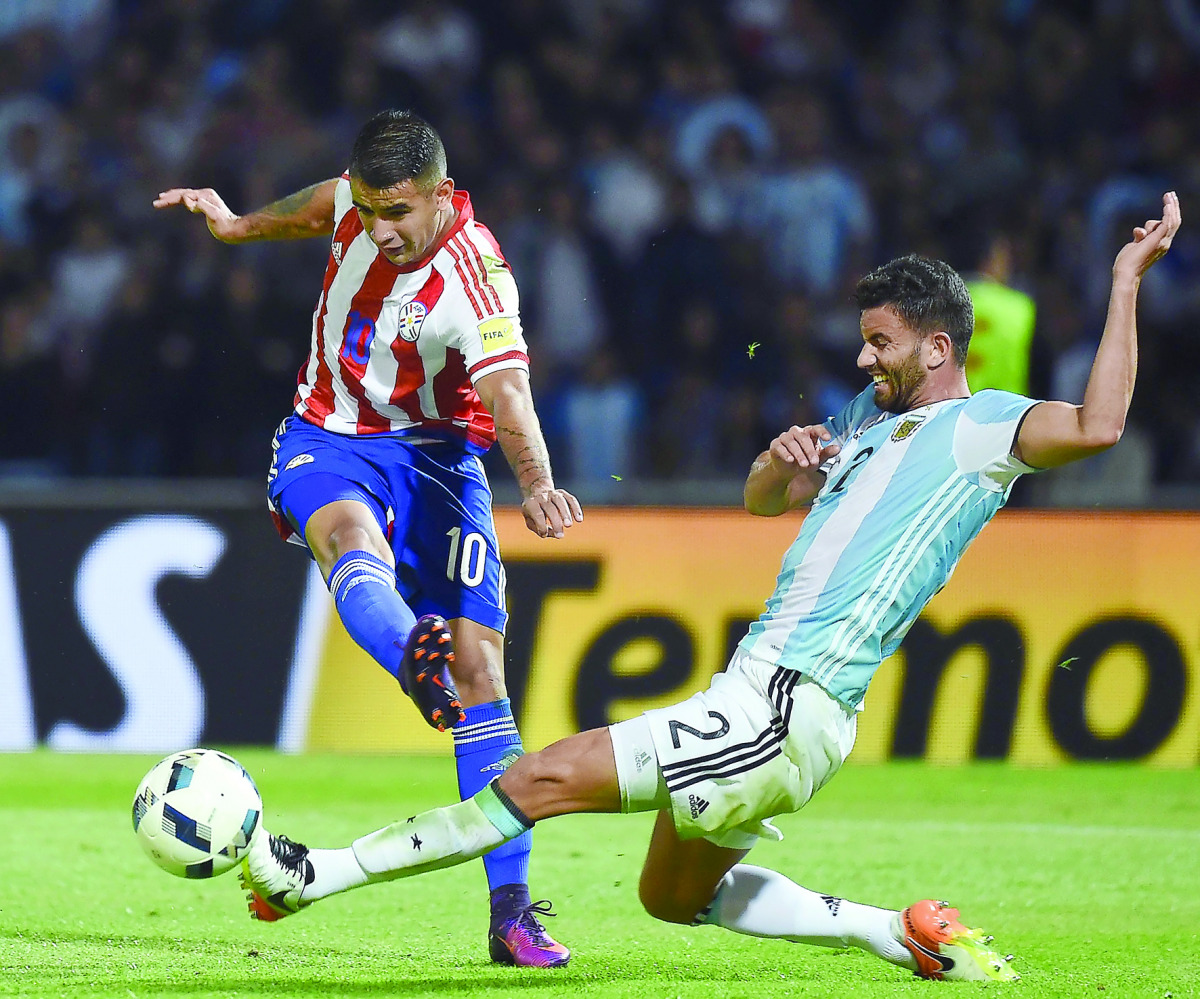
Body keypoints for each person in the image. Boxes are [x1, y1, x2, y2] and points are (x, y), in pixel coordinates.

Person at [236, 193, 1181, 981]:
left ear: (937, 349)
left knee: (536, 778)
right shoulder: (865, 416)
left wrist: (1123, 284)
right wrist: (780, 459)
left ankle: (310, 875)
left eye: (880, 343)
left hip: (785, 698)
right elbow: (762, 500)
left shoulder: (987, 429)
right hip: (776, 702)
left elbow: (1099, 425)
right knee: (670, 897)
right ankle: (898, 930)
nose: (862, 359)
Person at [154, 110, 583, 968]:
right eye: (370, 208)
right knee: (348, 535)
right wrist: (239, 225)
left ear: (442, 196)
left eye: (400, 213)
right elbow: (317, 204)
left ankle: (511, 912)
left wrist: (535, 482)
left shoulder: (478, 280)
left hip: (440, 457)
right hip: (329, 434)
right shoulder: (355, 202)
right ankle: (409, 662)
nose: (380, 228)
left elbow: (508, 400)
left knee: (482, 671)